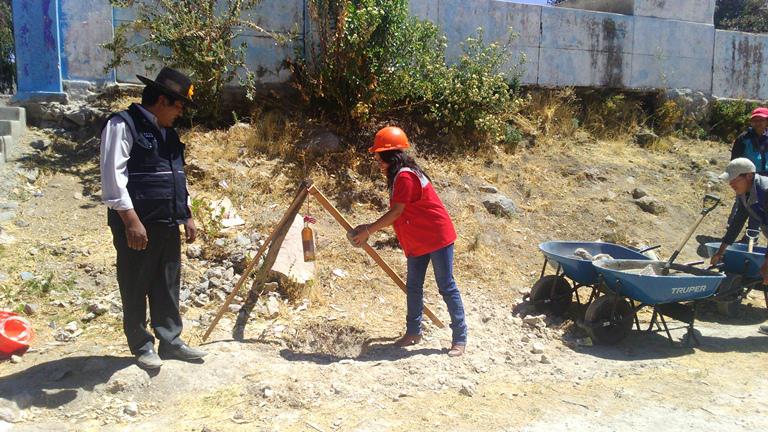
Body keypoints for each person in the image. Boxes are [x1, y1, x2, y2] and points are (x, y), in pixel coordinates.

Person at [100, 67, 206, 369]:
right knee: (135, 283)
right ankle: (142, 345)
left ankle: (170, 341)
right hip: (138, 225)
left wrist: (186, 214)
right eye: (179, 105)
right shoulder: (123, 125)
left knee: (167, 283)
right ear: (162, 100)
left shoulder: (168, 133)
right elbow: (112, 177)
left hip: (167, 221)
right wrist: (130, 220)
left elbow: (177, 176)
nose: (181, 112)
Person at [350, 126, 468, 356]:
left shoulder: (404, 176)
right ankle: (413, 332)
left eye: (379, 157)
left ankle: (460, 338)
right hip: (418, 239)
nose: (377, 162)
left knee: (446, 285)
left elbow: (396, 212)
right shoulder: (402, 174)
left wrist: (368, 230)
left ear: (390, 156)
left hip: (436, 236)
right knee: (413, 286)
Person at [709, 158, 768, 335]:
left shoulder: (766, 191)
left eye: (735, 179)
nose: (731, 183)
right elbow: (738, 222)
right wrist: (721, 251)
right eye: (730, 180)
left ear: (749, 176)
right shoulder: (745, 193)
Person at [726, 107, 768, 240]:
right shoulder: (744, 139)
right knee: (741, 205)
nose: (758, 123)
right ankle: (730, 234)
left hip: (764, 178)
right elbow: (735, 160)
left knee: (758, 208)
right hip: (746, 178)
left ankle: (751, 238)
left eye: (761, 120)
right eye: (755, 120)